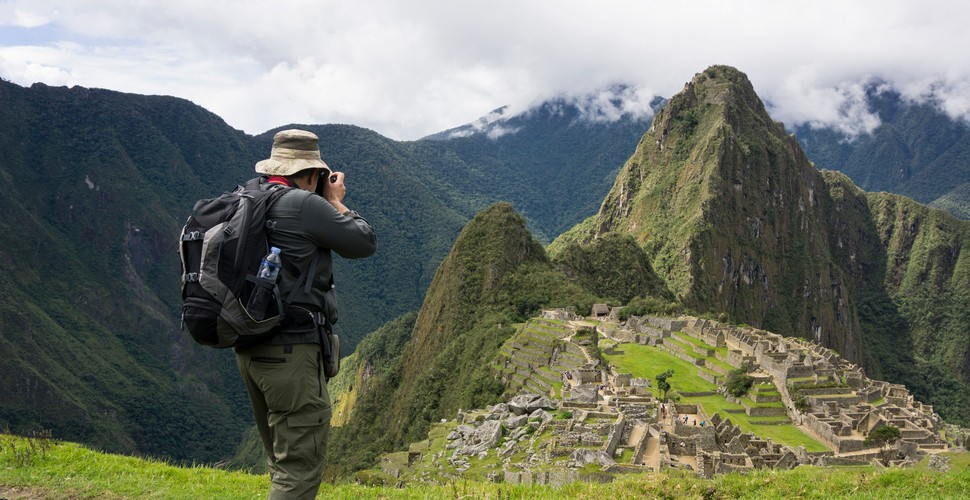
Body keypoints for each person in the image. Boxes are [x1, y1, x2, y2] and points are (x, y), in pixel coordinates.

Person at [235, 129, 377, 499]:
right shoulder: (303, 204)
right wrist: (335, 201)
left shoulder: (247, 197)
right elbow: (363, 242)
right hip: (291, 354)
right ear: (313, 172)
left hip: (249, 348)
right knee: (298, 470)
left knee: (282, 463)